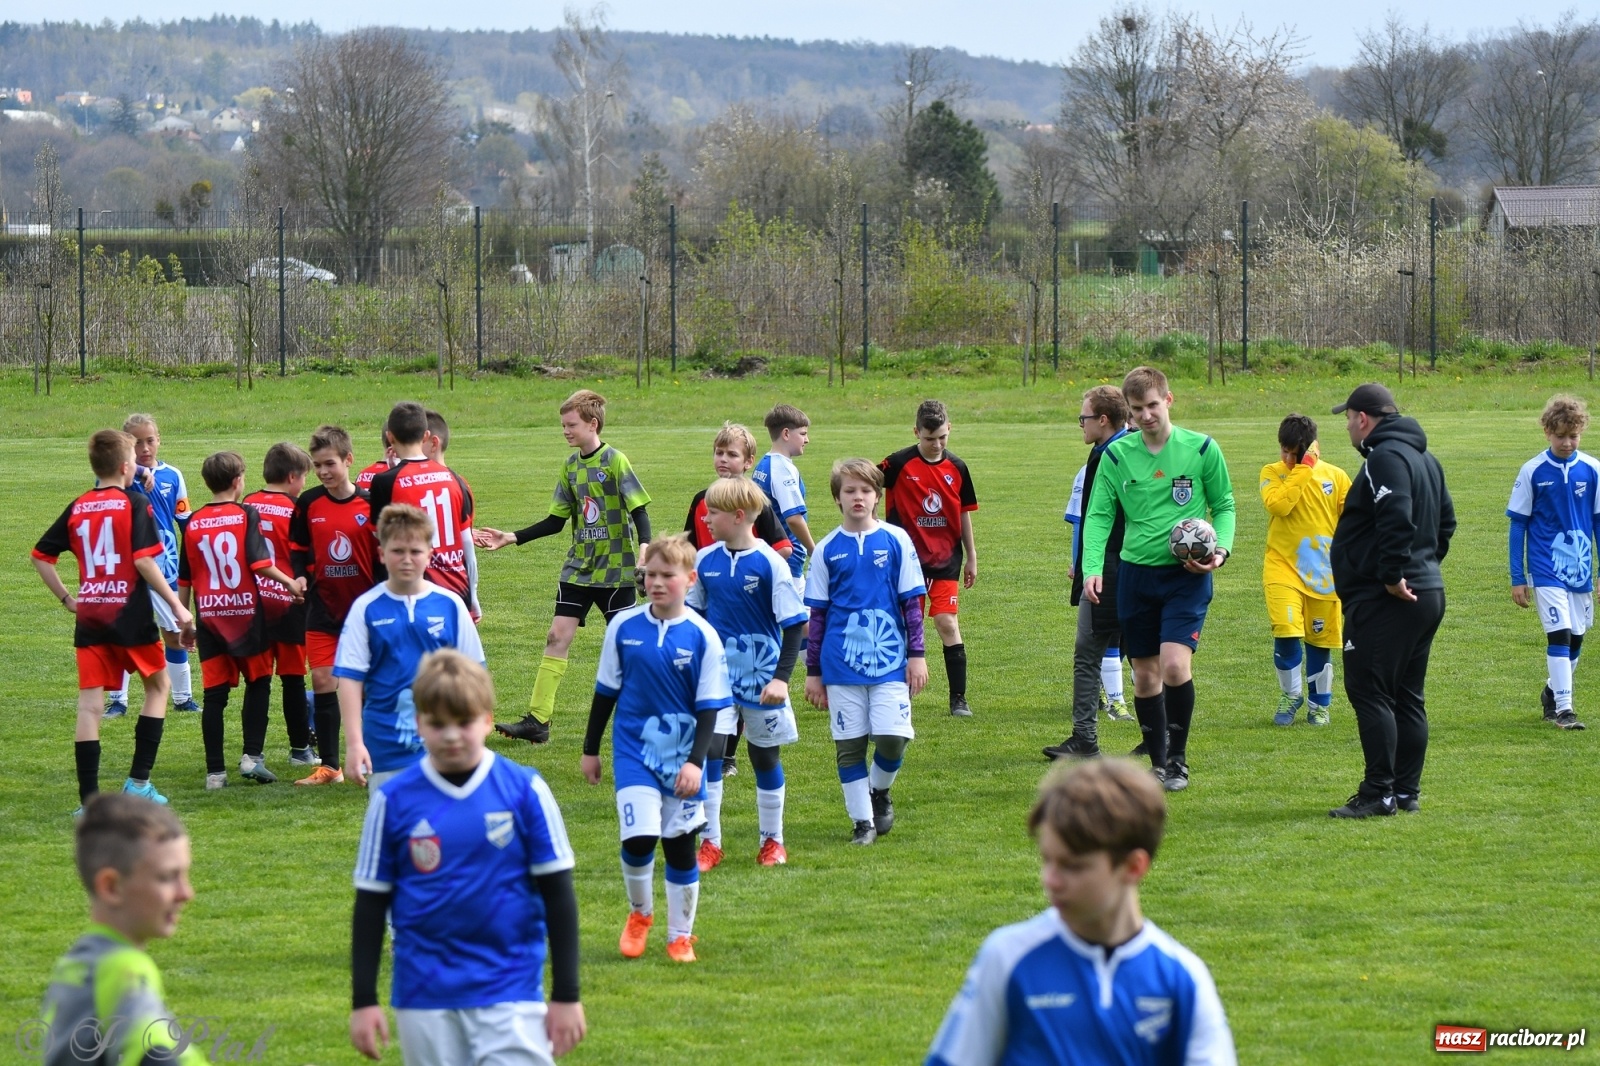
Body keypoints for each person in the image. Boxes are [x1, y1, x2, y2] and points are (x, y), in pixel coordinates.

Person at [350, 651, 586, 1065]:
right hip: (423, 996)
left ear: (486, 719)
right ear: (419, 723)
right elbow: (371, 903)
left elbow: (559, 895)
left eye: (464, 723)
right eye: (438, 724)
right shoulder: (393, 800)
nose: (452, 735)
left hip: (511, 990)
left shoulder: (525, 791)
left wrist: (567, 994)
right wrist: (364, 1000)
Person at [925, 759, 1236, 1066]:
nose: (1051, 880)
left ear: (1133, 867)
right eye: (1048, 860)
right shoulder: (1007, 959)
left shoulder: (1181, 978)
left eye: (1073, 866)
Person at [1080, 367, 1235, 793]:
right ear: (1127, 413)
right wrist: (1093, 567)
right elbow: (1098, 516)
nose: (1146, 415)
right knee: (1145, 677)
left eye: (1152, 405)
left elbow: (1224, 505)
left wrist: (1219, 551)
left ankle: (1178, 762)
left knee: (1173, 665)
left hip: (1186, 577)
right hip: (1135, 576)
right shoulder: (1116, 456)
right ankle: (1158, 761)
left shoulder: (1202, 449)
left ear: (1168, 400)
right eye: (1137, 409)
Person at [581, 535, 732, 963]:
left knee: (681, 847)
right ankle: (640, 914)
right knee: (640, 837)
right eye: (651, 574)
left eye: (669, 575)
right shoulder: (623, 627)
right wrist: (590, 749)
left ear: (690, 579)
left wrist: (694, 763)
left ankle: (680, 935)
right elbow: (605, 692)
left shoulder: (703, 636)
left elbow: (709, 709)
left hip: (683, 757)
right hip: (634, 752)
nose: (658, 583)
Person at [33, 430, 196, 810]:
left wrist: (68, 600)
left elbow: (41, 556)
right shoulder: (135, 503)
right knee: (158, 688)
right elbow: (143, 560)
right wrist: (178, 605)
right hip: (129, 613)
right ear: (127, 468)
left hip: (90, 615)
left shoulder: (78, 505)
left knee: (90, 706)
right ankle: (138, 783)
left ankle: (88, 801)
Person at [480, 389, 652, 746]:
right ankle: (538, 721)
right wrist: (511, 537)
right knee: (557, 637)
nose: (565, 431)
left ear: (593, 424)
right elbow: (556, 521)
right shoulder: (571, 467)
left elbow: (639, 510)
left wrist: (645, 552)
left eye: (571, 424)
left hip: (617, 571)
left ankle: (644, 716)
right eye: (563, 425)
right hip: (578, 570)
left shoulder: (615, 461)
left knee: (627, 644)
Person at [1328, 383, 1455, 818]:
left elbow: (1396, 514)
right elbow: (1446, 523)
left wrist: (1393, 574)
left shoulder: (1384, 457)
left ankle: (1377, 793)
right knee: (1406, 695)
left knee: (1371, 691)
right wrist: (1425, 567)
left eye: (1348, 418)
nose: (1347, 426)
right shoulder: (1426, 458)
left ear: (1363, 418)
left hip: (1388, 597)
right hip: (1426, 592)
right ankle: (1405, 792)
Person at [804, 458, 929, 845]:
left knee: (894, 737)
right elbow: (819, 615)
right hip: (840, 664)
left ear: (877, 496)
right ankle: (863, 823)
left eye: (865, 490)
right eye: (849, 491)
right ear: (838, 499)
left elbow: (911, 601)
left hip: (890, 662)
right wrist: (813, 671)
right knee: (850, 746)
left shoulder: (896, 540)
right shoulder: (825, 550)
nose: (858, 497)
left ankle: (879, 790)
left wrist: (916, 654)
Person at [686, 477, 808, 870]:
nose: (705, 519)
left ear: (739, 517)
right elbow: (695, 618)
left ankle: (773, 841)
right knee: (710, 753)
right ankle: (711, 842)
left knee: (764, 756)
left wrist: (780, 678)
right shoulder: (705, 561)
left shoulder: (772, 564)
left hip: (762, 680)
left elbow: (794, 625)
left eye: (713, 513)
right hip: (716, 680)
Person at [38, 794, 208, 1065]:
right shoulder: (122, 969)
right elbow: (155, 1056)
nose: (186, 893)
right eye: (166, 877)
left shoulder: (74, 966)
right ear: (111, 887)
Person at [336, 504, 485, 789]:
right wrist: (355, 743)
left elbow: (475, 674)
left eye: (415, 552)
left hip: (447, 743)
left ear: (430, 555)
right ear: (381, 554)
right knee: (396, 828)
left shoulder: (451, 605)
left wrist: (474, 734)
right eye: (397, 551)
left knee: (447, 828)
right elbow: (350, 678)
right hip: (385, 743)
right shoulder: (365, 608)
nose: (407, 560)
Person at [178, 451, 301, 789]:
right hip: (247, 613)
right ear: (237, 481)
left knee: (215, 696)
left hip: (211, 616)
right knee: (259, 682)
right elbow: (260, 563)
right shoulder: (246, 513)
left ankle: (215, 773)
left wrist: (185, 619)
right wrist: (290, 583)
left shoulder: (194, 523)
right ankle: (250, 756)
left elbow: (185, 579)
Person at [683, 421, 793, 778]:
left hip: (748, 613)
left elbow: (782, 547)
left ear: (748, 461)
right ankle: (718, 760)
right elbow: (686, 545)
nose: (724, 459)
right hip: (707, 589)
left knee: (746, 677)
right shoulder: (703, 499)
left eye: (732, 454)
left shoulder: (755, 502)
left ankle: (730, 753)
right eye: (719, 452)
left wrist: (755, 577)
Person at [881, 399, 980, 718]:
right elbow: (865, 484)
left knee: (946, 622)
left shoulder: (958, 468)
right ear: (916, 432)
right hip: (906, 563)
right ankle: (900, 695)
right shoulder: (897, 464)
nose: (936, 444)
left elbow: (964, 514)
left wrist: (972, 556)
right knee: (906, 628)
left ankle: (959, 698)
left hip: (946, 560)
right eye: (929, 438)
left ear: (949, 429)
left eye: (942, 437)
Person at [290, 425, 378, 784]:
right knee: (323, 679)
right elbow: (297, 550)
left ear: (348, 460)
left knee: (371, 686)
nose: (324, 472)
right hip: (322, 609)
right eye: (318, 465)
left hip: (365, 612)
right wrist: (299, 576)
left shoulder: (371, 503)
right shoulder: (309, 503)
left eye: (330, 464)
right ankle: (330, 766)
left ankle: (371, 757)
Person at [1051, 385, 1133, 760]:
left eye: (1084, 418)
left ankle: (1085, 738)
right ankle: (1159, 735)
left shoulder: (1110, 456)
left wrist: (1090, 565)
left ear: (1103, 420)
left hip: (1109, 568)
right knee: (1146, 655)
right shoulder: (1129, 447)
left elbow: (1100, 520)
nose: (1080, 425)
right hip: (1125, 566)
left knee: (1088, 654)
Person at [1509, 395, 1598, 732]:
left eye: (1573, 436)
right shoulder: (1532, 471)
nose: (1567, 442)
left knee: (1576, 638)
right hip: (1546, 567)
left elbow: (1599, 522)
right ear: (1547, 432)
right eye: (1560, 435)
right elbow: (1518, 524)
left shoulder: (1592, 469)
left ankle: (1551, 691)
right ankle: (1565, 710)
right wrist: (1519, 576)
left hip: (1580, 568)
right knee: (1559, 634)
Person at [1259, 414, 1350, 727]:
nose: (1285, 457)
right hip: (1281, 567)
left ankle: (1319, 705)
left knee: (1320, 642)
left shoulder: (1336, 477)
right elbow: (1279, 506)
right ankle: (1291, 694)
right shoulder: (1272, 473)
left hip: (1324, 572)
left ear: (1309, 447)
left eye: (1292, 452)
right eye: (1282, 450)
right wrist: (1303, 469)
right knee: (1286, 633)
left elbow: (1353, 521)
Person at [105, 414, 197, 719]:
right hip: (126, 566)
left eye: (150, 440)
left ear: (159, 440)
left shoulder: (174, 476)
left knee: (173, 633)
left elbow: (186, 522)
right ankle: (118, 699)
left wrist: (193, 560)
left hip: (163, 566)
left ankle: (183, 698)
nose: (144, 447)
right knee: (123, 632)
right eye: (136, 442)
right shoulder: (115, 475)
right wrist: (139, 471)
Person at [243, 443, 318, 766]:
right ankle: (300, 750)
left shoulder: (246, 504)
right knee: (292, 679)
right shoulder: (297, 509)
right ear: (292, 476)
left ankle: (252, 753)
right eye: (303, 477)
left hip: (253, 606)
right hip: (289, 603)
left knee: (257, 682)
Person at [368, 401, 479, 617]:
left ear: (390, 437)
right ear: (425, 435)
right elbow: (467, 544)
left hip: (416, 591)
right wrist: (472, 596)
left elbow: (378, 536)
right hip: (457, 591)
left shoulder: (385, 482)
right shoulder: (454, 478)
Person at [753, 403, 815, 589]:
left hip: (771, 553)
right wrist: (815, 551)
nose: (807, 440)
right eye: (803, 434)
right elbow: (794, 518)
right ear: (786, 434)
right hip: (789, 560)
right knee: (799, 616)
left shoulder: (764, 464)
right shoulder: (783, 470)